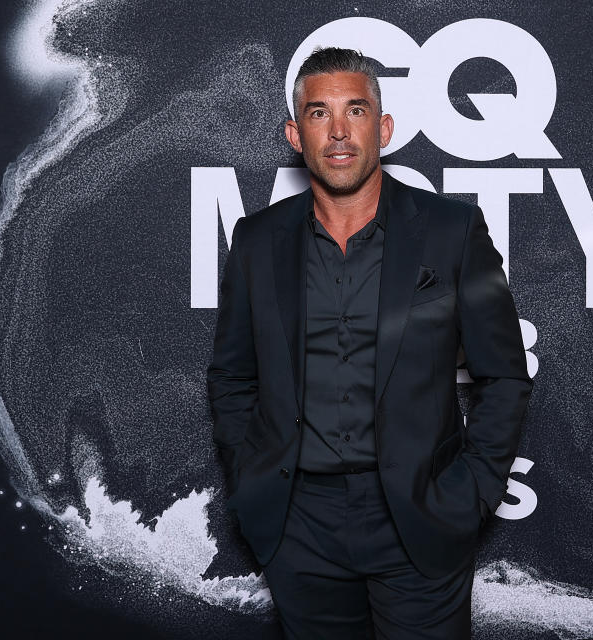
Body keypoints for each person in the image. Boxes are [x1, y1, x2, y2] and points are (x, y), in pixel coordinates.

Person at [207, 46, 532, 639]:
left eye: (355, 110)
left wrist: (471, 492)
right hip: (298, 526)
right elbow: (231, 376)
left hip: (418, 519)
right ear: (294, 134)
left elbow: (505, 374)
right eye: (318, 113)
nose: (338, 131)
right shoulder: (257, 240)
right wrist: (249, 474)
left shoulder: (451, 231)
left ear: (383, 127)